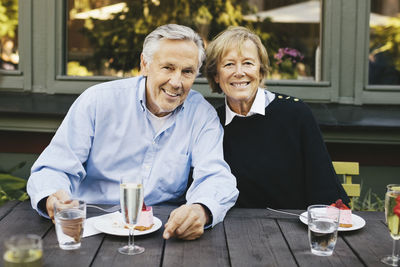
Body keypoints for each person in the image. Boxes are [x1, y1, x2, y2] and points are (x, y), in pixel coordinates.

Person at [27, 24, 238, 240]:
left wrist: (201, 210)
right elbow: (53, 168)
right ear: (145, 65)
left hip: (161, 233)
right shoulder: (98, 101)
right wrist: (52, 197)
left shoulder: (201, 114)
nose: (176, 82)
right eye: (168, 68)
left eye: (187, 72)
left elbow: (216, 177)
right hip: (90, 229)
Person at [204, 26, 349, 209]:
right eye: (228, 64)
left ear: (261, 71)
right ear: (216, 75)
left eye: (248, 63)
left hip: (293, 230)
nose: (239, 72)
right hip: (232, 231)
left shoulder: (295, 113)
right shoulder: (211, 123)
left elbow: (322, 184)